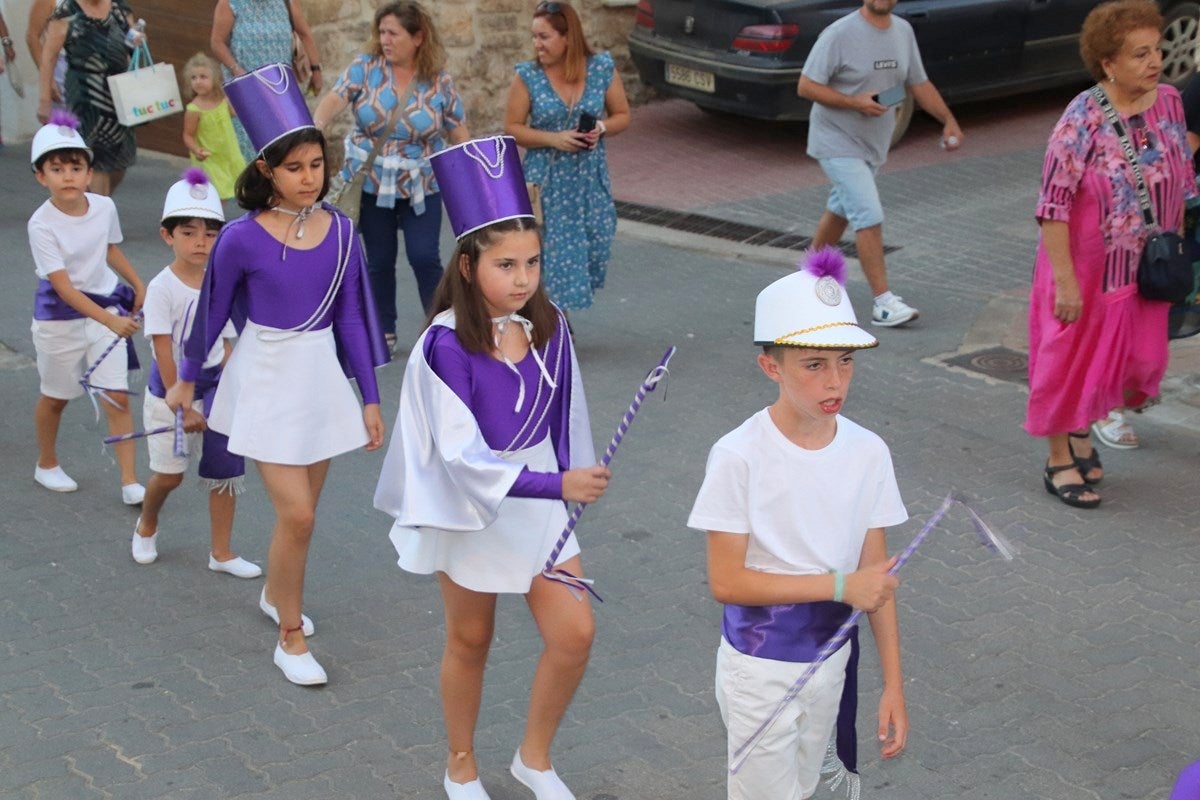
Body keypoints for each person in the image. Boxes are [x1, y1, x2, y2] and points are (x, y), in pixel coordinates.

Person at [374, 135, 611, 800]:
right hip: (471, 505)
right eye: (506, 264)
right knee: (471, 638)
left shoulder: (551, 325)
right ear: (470, 261)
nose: (523, 278)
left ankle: (533, 757)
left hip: (539, 504)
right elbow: (460, 457)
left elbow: (567, 417)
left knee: (575, 631)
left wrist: (575, 486)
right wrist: (555, 483)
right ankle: (460, 762)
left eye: (532, 262)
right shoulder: (446, 346)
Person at [167, 65, 388, 686]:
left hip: (319, 380)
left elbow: (350, 319)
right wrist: (187, 378)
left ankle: (276, 594)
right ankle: (289, 638)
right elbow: (212, 311)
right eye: (294, 168)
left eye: (316, 164)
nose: (308, 178)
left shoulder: (343, 231)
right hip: (264, 377)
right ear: (267, 170)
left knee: (304, 513)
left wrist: (368, 396)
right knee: (299, 517)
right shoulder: (240, 238)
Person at [688, 246, 909, 800]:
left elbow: (874, 576)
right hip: (759, 669)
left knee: (805, 787)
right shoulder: (738, 455)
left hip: (832, 657)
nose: (835, 381)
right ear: (771, 367)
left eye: (846, 360)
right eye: (814, 364)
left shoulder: (868, 451)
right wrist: (841, 587)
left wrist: (894, 683)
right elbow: (726, 582)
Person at [1025, 0, 1195, 508]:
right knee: (1069, 367)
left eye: (1157, 49)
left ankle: (1083, 426)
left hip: (1144, 271)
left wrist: (1178, 246)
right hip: (1085, 270)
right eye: (1140, 54)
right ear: (1108, 65)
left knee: (1142, 365)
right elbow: (1052, 205)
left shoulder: (1168, 102)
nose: (1155, 61)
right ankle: (1059, 458)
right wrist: (1067, 282)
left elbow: (1182, 179)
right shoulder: (1081, 118)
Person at [797, 0, 963, 328]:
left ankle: (805, 283)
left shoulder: (903, 31)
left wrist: (948, 120)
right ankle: (883, 304)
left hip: (873, 144)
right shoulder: (839, 34)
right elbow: (806, 86)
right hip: (836, 140)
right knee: (868, 215)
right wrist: (852, 102)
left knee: (841, 210)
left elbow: (917, 83)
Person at [314, 0, 469, 350]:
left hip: (422, 182)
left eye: (393, 33)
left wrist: (473, 172)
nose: (385, 39)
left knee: (424, 255)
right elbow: (334, 99)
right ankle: (384, 326)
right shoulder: (365, 68)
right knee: (380, 259)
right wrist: (316, 127)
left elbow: (458, 129)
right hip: (371, 180)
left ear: (417, 37)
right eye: (381, 31)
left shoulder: (438, 79)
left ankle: (441, 324)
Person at [133, 169, 259, 578]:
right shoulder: (162, 288)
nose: (200, 242)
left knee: (225, 472)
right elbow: (162, 347)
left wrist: (236, 383)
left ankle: (220, 553)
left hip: (215, 387)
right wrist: (182, 404)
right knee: (168, 477)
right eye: (188, 233)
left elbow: (225, 344)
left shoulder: (222, 281)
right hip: (171, 391)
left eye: (209, 233)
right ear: (167, 236)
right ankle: (147, 523)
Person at [27, 111, 145, 504]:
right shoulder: (40, 224)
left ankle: (130, 480)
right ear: (41, 177)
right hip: (60, 317)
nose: (67, 176)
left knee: (117, 395)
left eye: (75, 167)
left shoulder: (103, 207)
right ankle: (46, 463)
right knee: (57, 397)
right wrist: (113, 320)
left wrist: (137, 282)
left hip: (104, 311)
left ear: (89, 172)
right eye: (56, 169)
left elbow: (108, 247)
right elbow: (63, 287)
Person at [503, 0, 630, 318]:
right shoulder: (528, 76)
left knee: (596, 241)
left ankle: (551, 319)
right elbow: (512, 128)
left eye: (544, 37)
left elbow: (622, 115)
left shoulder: (601, 67)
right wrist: (553, 138)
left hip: (588, 179)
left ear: (568, 37)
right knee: (550, 256)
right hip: (547, 182)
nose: (537, 44)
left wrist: (600, 128)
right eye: (534, 37)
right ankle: (553, 323)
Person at [37, 0, 141, 197]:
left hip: (118, 95)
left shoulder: (120, 9)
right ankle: (98, 213)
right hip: (85, 97)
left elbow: (130, 44)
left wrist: (137, 42)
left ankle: (93, 202)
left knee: (121, 161)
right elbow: (48, 56)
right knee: (97, 157)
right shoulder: (66, 13)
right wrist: (44, 100)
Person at [210, 0, 322, 162]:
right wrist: (237, 70)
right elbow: (217, 42)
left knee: (285, 146)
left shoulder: (286, 2)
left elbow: (304, 33)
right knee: (250, 150)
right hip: (246, 89)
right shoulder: (231, 3)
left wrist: (316, 69)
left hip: (281, 88)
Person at [181, 53, 246, 201]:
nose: (198, 82)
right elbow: (188, 135)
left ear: (215, 79)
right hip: (208, 158)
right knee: (215, 194)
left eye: (203, 77)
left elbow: (235, 113)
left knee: (230, 190)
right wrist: (196, 149)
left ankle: (216, 220)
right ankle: (214, 221)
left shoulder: (223, 101)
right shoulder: (194, 109)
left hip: (228, 155)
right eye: (194, 78)